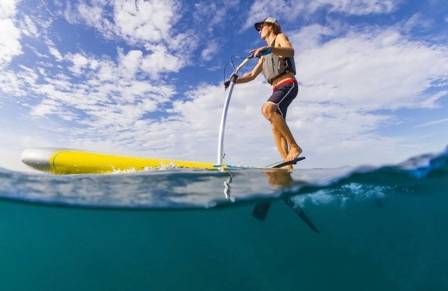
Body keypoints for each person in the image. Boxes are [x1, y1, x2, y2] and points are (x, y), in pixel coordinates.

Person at [226, 17, 302, 166]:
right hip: (276, 88)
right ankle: (287, 163)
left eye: (261, 26)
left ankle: (294, 146)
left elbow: (290, 51)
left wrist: (270, 49)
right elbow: (251, 75)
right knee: (275, 127)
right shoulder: (264, 55)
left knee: (267, 109)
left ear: (271, 26)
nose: (259, 30)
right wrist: (233, 81)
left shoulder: (280, 38)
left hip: (287, 84)